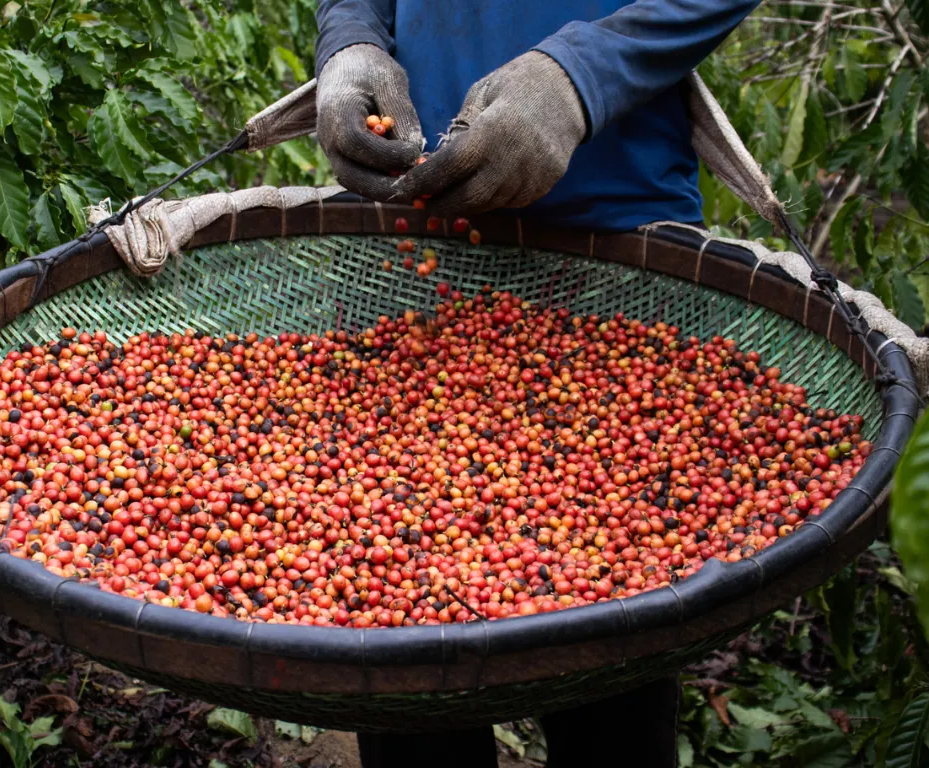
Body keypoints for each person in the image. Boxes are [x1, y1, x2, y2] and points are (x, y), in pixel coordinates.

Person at [312, 2, 761, 766]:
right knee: (396, 644)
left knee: (610, 650)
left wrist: (578, 77)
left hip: (614, 259)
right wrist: (351, 43)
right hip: (416, 244)